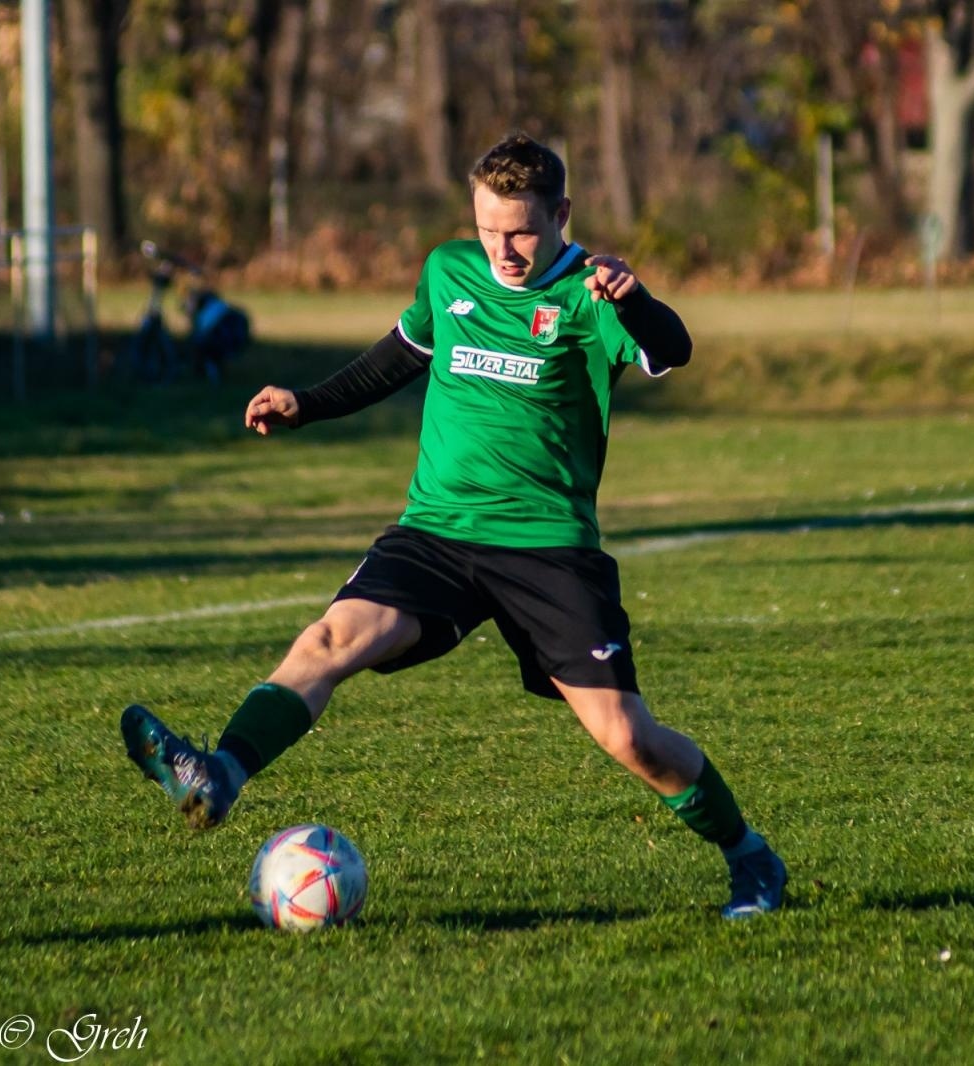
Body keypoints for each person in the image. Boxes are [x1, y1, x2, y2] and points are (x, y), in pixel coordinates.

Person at [121, 132, 787, 919]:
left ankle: (750, 859)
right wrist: (309, 401)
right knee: (328, 641)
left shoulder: (589, 295)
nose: (503, 249)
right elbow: (398, 357)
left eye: (522, 231)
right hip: (435, 531)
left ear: (562, 214)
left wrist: (633, 297)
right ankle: (218, 776)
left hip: (547, 548)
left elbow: (672, 347)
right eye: (489, 229)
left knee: (626, 736)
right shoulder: (449, 271)